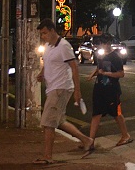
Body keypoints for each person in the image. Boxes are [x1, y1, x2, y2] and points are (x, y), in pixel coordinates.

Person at [35, 18, 93, 165]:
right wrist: (42, 72)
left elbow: (74, 67)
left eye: (45, 33)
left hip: (61, 88)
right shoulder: (48, 46)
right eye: (41, 34)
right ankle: (86, 140)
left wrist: (77, 92)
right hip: (52, 87)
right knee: (59, 120)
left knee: (48, 123)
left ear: (52, 31)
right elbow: (47, 61)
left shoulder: (64, 46)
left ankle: (47, 156)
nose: (43, 36)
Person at [87, 34, 131, 147]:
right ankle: (90, 141)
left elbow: (121, 74)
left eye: (106, 43)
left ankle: (125, 135)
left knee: (116, 113)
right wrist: (92, 75)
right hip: (99, 88)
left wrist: (106, 73)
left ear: (109, 43)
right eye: (102, 43)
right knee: (96, 114)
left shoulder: (115, 57)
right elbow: (99, 68)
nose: (104, 45)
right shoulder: (100, 55)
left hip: (112, 90)